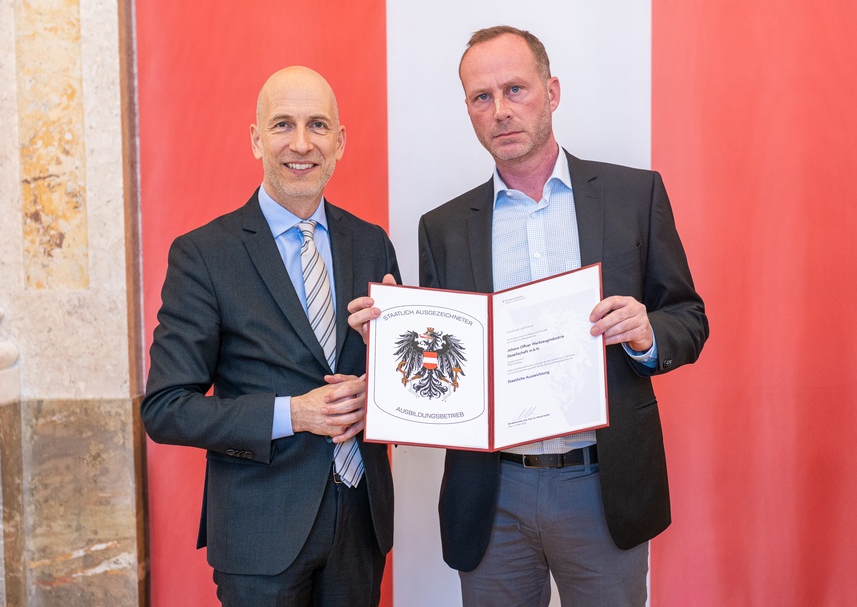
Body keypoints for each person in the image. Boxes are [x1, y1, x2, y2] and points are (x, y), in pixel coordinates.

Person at [349, 26, 708, 606]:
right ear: (467, 109)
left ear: (552, 91)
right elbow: (444, 377)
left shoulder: (631, 196)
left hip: (602, 484)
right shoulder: (442, 227)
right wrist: (395, 339)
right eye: (481, 97)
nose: (500, 111)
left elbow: (688, 318)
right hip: (492, 493)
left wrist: (646, 334)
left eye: (515, 89)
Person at [142, 66, 399, 607]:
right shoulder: (204, 255)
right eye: (283, 125)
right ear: (256, 138)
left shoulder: (372, 243)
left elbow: (401, 384)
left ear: (341, 141)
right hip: (259, 536)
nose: (301, 144)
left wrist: (384, 381)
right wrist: (294, 413)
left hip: (360, 526)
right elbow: (166, 409)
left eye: (318, 125)